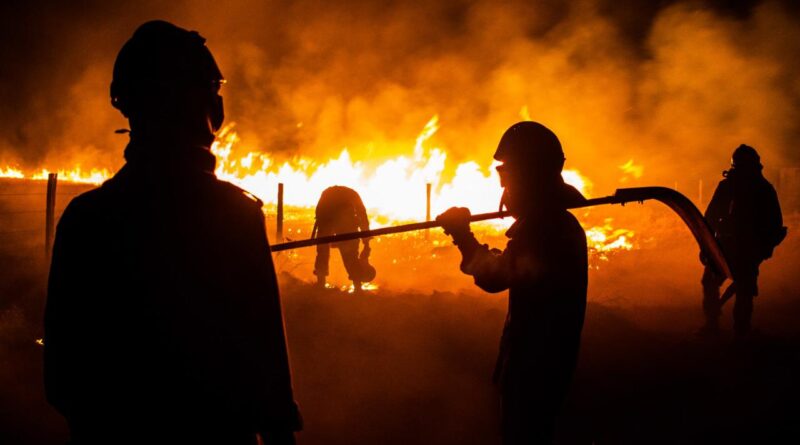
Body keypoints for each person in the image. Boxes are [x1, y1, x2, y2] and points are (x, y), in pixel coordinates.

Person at [43, 21, 301, 445]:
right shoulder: (233, 215)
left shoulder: (86, 218)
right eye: (212, 92)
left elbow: (63, 378)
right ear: (201, 108)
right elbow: (268, 372)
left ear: (128, 106)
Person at [436, 121, 588, 444]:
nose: (504, 183)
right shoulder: (551, 222)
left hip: (537, 369)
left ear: (529, 174)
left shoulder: (545, 228)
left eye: (507, 172)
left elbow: (497, 276)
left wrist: (463, 236)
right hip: (541, 363)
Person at [700, 144, 785, 338]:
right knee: (713, 283)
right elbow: (711, 217)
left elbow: (774, 225)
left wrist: (762, 249)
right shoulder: (729, 187)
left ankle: (739, 331)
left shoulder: (763, 190)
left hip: (746, 249)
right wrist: (707, 246)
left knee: (744, 291)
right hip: (725, 247)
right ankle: (714, 325)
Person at [312, 185, 374, 292]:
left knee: (323, 247)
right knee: (350, 252)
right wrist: (366, 240)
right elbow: (362, 215)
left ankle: (321, 284)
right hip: (327, 211)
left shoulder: (348, 195)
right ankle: (357, 286)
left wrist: (365, 241)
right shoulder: (352, 196)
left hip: (325, 209)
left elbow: (361, 216)